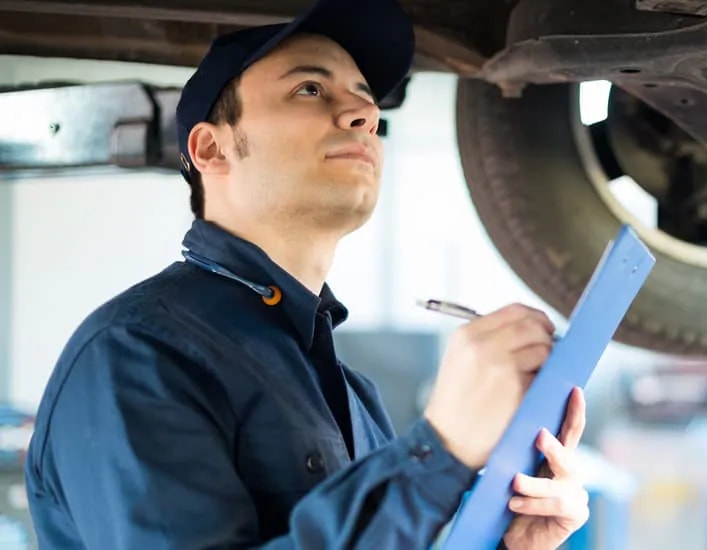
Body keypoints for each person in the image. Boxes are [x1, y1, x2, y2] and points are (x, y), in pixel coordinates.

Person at [23, 0, 591, 548]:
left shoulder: (352, 395)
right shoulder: (134, 354)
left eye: (367, 101)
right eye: (310, 89)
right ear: (212, 149)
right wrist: (438, 452)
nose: (363, 114)